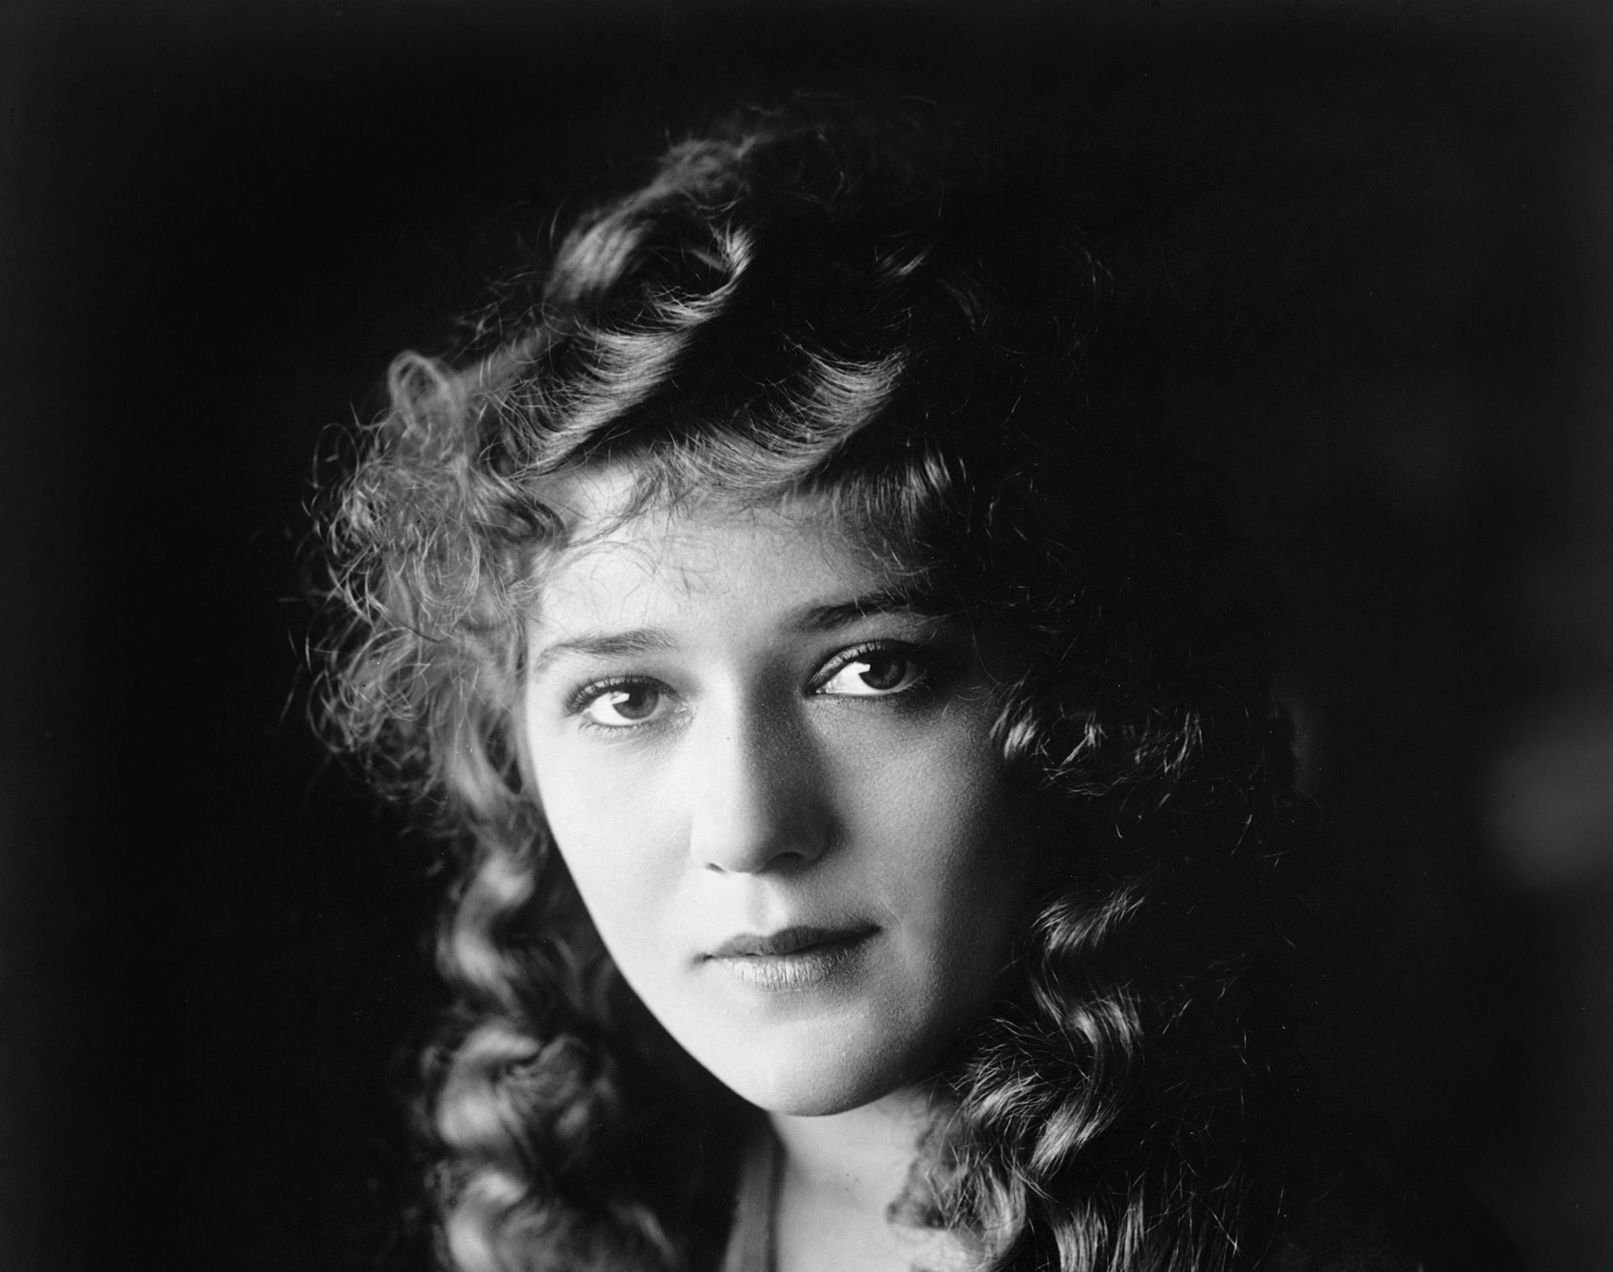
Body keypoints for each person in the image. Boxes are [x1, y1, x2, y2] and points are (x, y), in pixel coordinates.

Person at [317, 103, 1477, 1272]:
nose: (749, 831)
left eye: (870, 671)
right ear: (517, 752)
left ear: (1085, 718)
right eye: (626, 698)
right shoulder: (604, 1217)